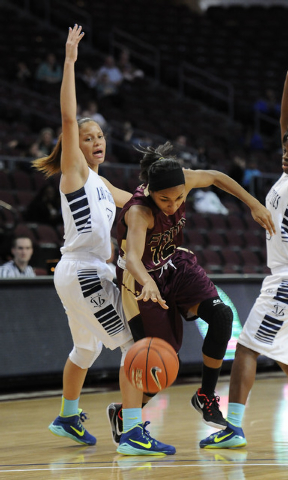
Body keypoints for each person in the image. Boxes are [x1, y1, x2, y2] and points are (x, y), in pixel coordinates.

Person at [199, 61, 288, 449]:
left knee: (247, 346)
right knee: (282, 352)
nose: (286, 152)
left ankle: (233, 427)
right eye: (284, 148)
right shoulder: (287, 173)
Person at [106, 141, 275, 454]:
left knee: (222, 316)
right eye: (165, 199)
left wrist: (253, 203)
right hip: (139, 281)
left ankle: (206, 396)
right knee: (161, 366)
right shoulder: (140, 213)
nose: (173, 204)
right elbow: (131, 260)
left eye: (180, 197)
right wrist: (148, 282)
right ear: (151, 193)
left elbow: (216, 177)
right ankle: (124, 413)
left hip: (173, 264)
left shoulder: (183, 179)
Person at [32, 25, 136, 451]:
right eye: (88, 137)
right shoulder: (73, 172)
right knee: (136, 348)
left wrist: (177, 195)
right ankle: (132, 431)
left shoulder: (104, 183)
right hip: (85, 274)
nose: (96, 142)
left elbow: (141, 203)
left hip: (84, 273)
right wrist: (71, 62)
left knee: (85, 350)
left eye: (100, 137)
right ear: (75, 145)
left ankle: (67, 416)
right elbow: (68, 117)